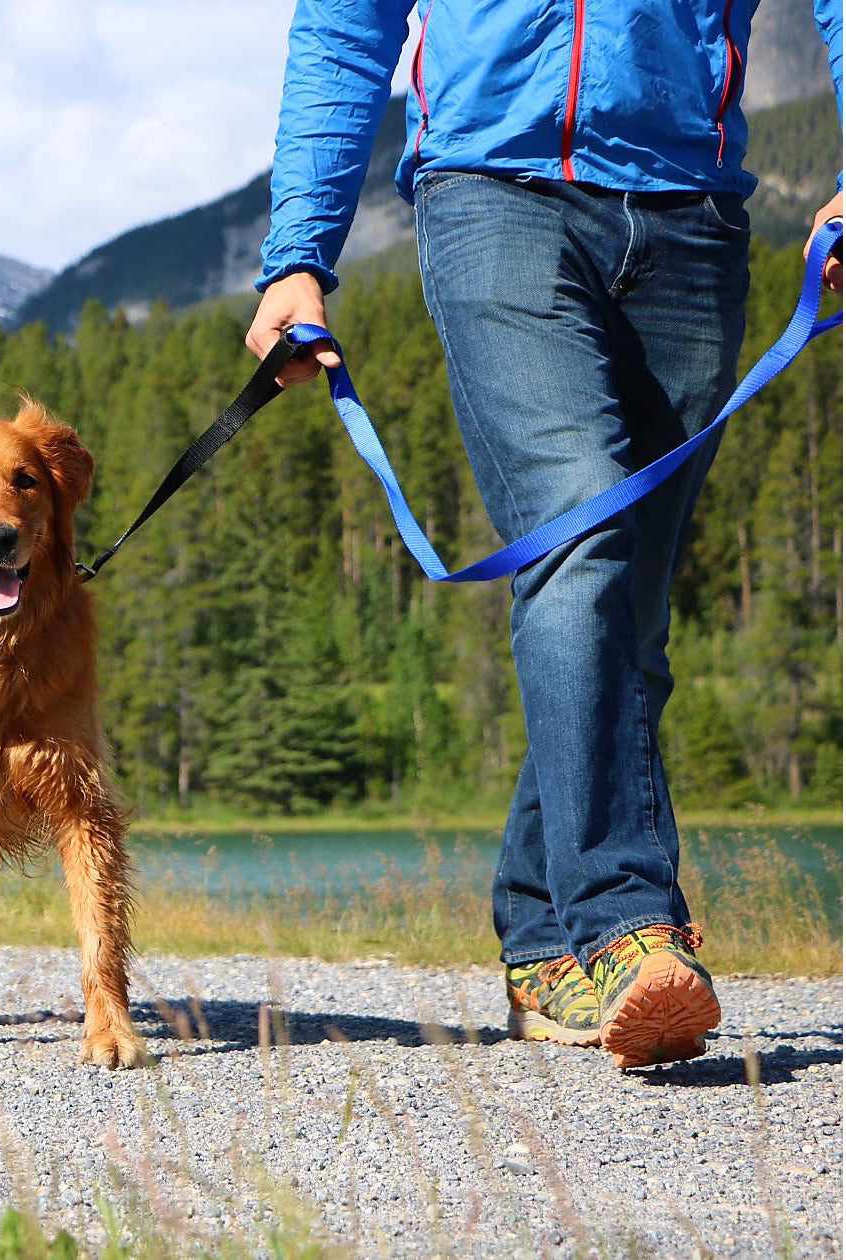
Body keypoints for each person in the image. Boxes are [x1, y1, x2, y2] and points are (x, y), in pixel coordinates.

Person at [245, 0, 842, 1069]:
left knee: (629, 619)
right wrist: (301, 254)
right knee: (582, 535)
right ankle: (625, 924)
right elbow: (345, 25)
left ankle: (541, 945)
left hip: (694, 213)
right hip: (493, 196)